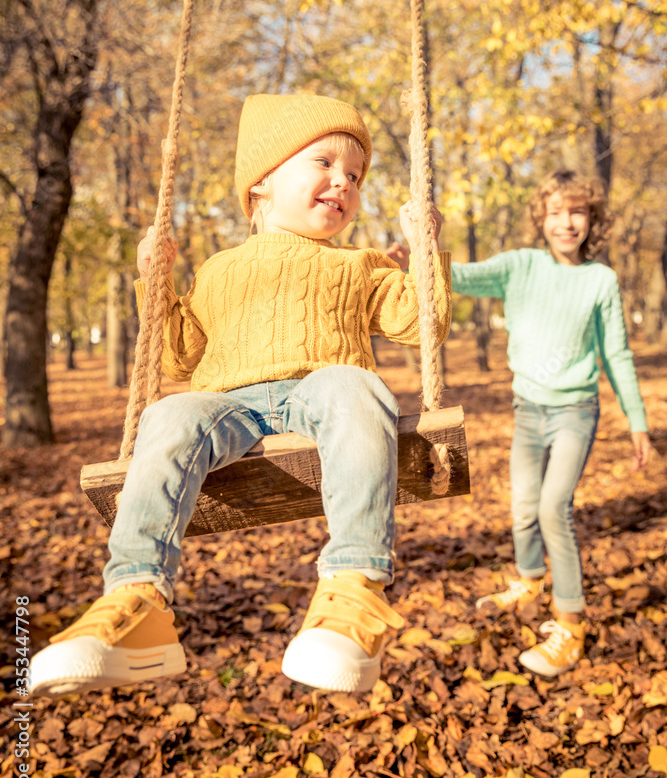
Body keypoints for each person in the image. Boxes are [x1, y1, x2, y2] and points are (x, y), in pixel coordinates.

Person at [29, 93, 451, 698]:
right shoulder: (219, 269)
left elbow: (421, 325)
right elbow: (175, 356)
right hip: (227, 404)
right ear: (261, 185)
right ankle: (137, 600)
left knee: (355, 385)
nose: (344, 182)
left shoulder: (361, 264)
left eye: (354, 176)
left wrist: (427, 248)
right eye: (325, 164)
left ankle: (354, 587)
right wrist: (158, 285)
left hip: (319, 390)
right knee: (169, 413)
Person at [450, 169, 651, 677]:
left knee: (552, 507)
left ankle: (571, 624)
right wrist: (422, 246)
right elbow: (457, 277)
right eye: (557, 211)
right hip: (528, 411)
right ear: (541, 217)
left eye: (577, 211)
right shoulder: (519, 267)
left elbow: (618, 354)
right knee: (521, 505)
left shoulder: (600, 280)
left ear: (591, 219)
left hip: (574, 413)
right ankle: (530, 578)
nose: (567, 222)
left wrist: (638, 421)